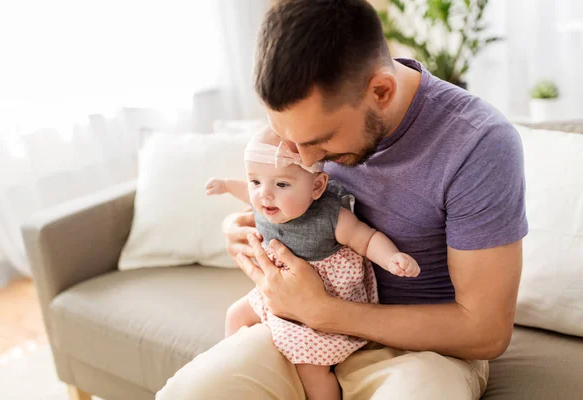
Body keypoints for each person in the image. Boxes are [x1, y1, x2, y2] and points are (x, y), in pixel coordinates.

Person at [157, 0, 527, 398]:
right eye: (290, 140)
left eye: (320, 143)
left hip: (426, 352)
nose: (306, 161)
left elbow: (485, 331)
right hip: (295, 330)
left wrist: (326, 313)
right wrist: (245, 225)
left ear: (381, 91)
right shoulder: (309, 120)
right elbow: (280, 198)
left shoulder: (479, 143)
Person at [205, 131, 420, 400]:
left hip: (322, 309)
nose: (265, 195)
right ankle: (231, 367)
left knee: (310, 369)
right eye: (255, 181)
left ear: (317, 187)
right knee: (235, 314)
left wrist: (391, 258)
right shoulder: (263, 203)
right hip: (275, 294)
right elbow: (248, 193)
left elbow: (366, 239)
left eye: (282, 184)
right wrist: (226, 185)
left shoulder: (331, 218)